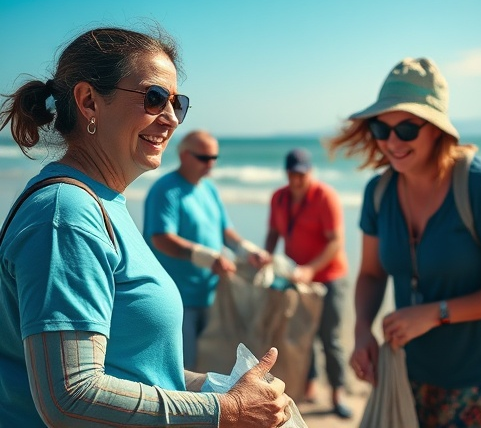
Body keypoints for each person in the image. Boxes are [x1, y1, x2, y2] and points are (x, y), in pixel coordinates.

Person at [0, 26, 291, 427]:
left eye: (178, 102)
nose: (171, 118)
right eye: (154, 98)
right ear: (88, 102)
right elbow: (69, 397)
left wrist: (219, 388)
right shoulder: (65, 214)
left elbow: (135, 370)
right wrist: (227, 411)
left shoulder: (104, 202)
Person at [328, 57, 481, 427]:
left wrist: (435, 313)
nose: (392, 142)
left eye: (408, 129)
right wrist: (362, 328)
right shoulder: (378, 192)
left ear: (436, 130)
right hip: (404, 376)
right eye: (382, 128)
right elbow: (371, 274)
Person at [143, 129, 270, 370]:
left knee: (210, 366)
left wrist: (246, 250)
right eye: (203, 158)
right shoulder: (165, 190)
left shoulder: (209, 189)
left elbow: (225, 231)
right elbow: (160, 238)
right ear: (183, 155)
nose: (210, 165)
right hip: (177, 298)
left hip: (211, 295)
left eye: (214, 158)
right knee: (182, 368)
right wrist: (206, 257)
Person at [264, 148, 353, 419]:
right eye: (292, 173)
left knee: (331, 338)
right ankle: (309, 387)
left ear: (310, 172)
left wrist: (311, 269)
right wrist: (267, 260)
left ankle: (338, 393)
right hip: (294, 278)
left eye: (301, 174)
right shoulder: (279, 198)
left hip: (329, 278)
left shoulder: (325, 197)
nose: (296, 179)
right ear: (287, 173)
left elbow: (335, 241)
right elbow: (273, 233)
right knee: (302, 336)